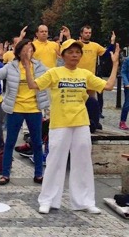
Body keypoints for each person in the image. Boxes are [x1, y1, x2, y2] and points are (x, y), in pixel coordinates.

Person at [24, 39, 120, 215]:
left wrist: (115, 64)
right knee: (55, 161)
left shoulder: (85, 74)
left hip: (81, 123)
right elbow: (33, 85)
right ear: (63, 55)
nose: (75, 55)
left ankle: (85, 201)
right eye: (71, 52)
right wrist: (26, 63)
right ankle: (48, 200)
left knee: (83, 162)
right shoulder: (54, 73)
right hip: (60, 124)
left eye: (78, 52)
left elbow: (108, 86)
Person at [0, 39, 50, 185]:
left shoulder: (39, 66)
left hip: (34, 109)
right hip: (15, 109)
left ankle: (39, 174)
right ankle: (5, 174)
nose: (28, 52)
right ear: (19, 52)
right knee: (10, 143)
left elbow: (52, 78)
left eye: (31, 49)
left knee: (37, 143)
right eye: (25, 49)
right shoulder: (11, 67)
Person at [120, 55, 129, 130]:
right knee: (127, 104)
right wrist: (126, 83)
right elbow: (123, 72)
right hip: (128, 86)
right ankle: (122, 121)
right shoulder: (127, 60)